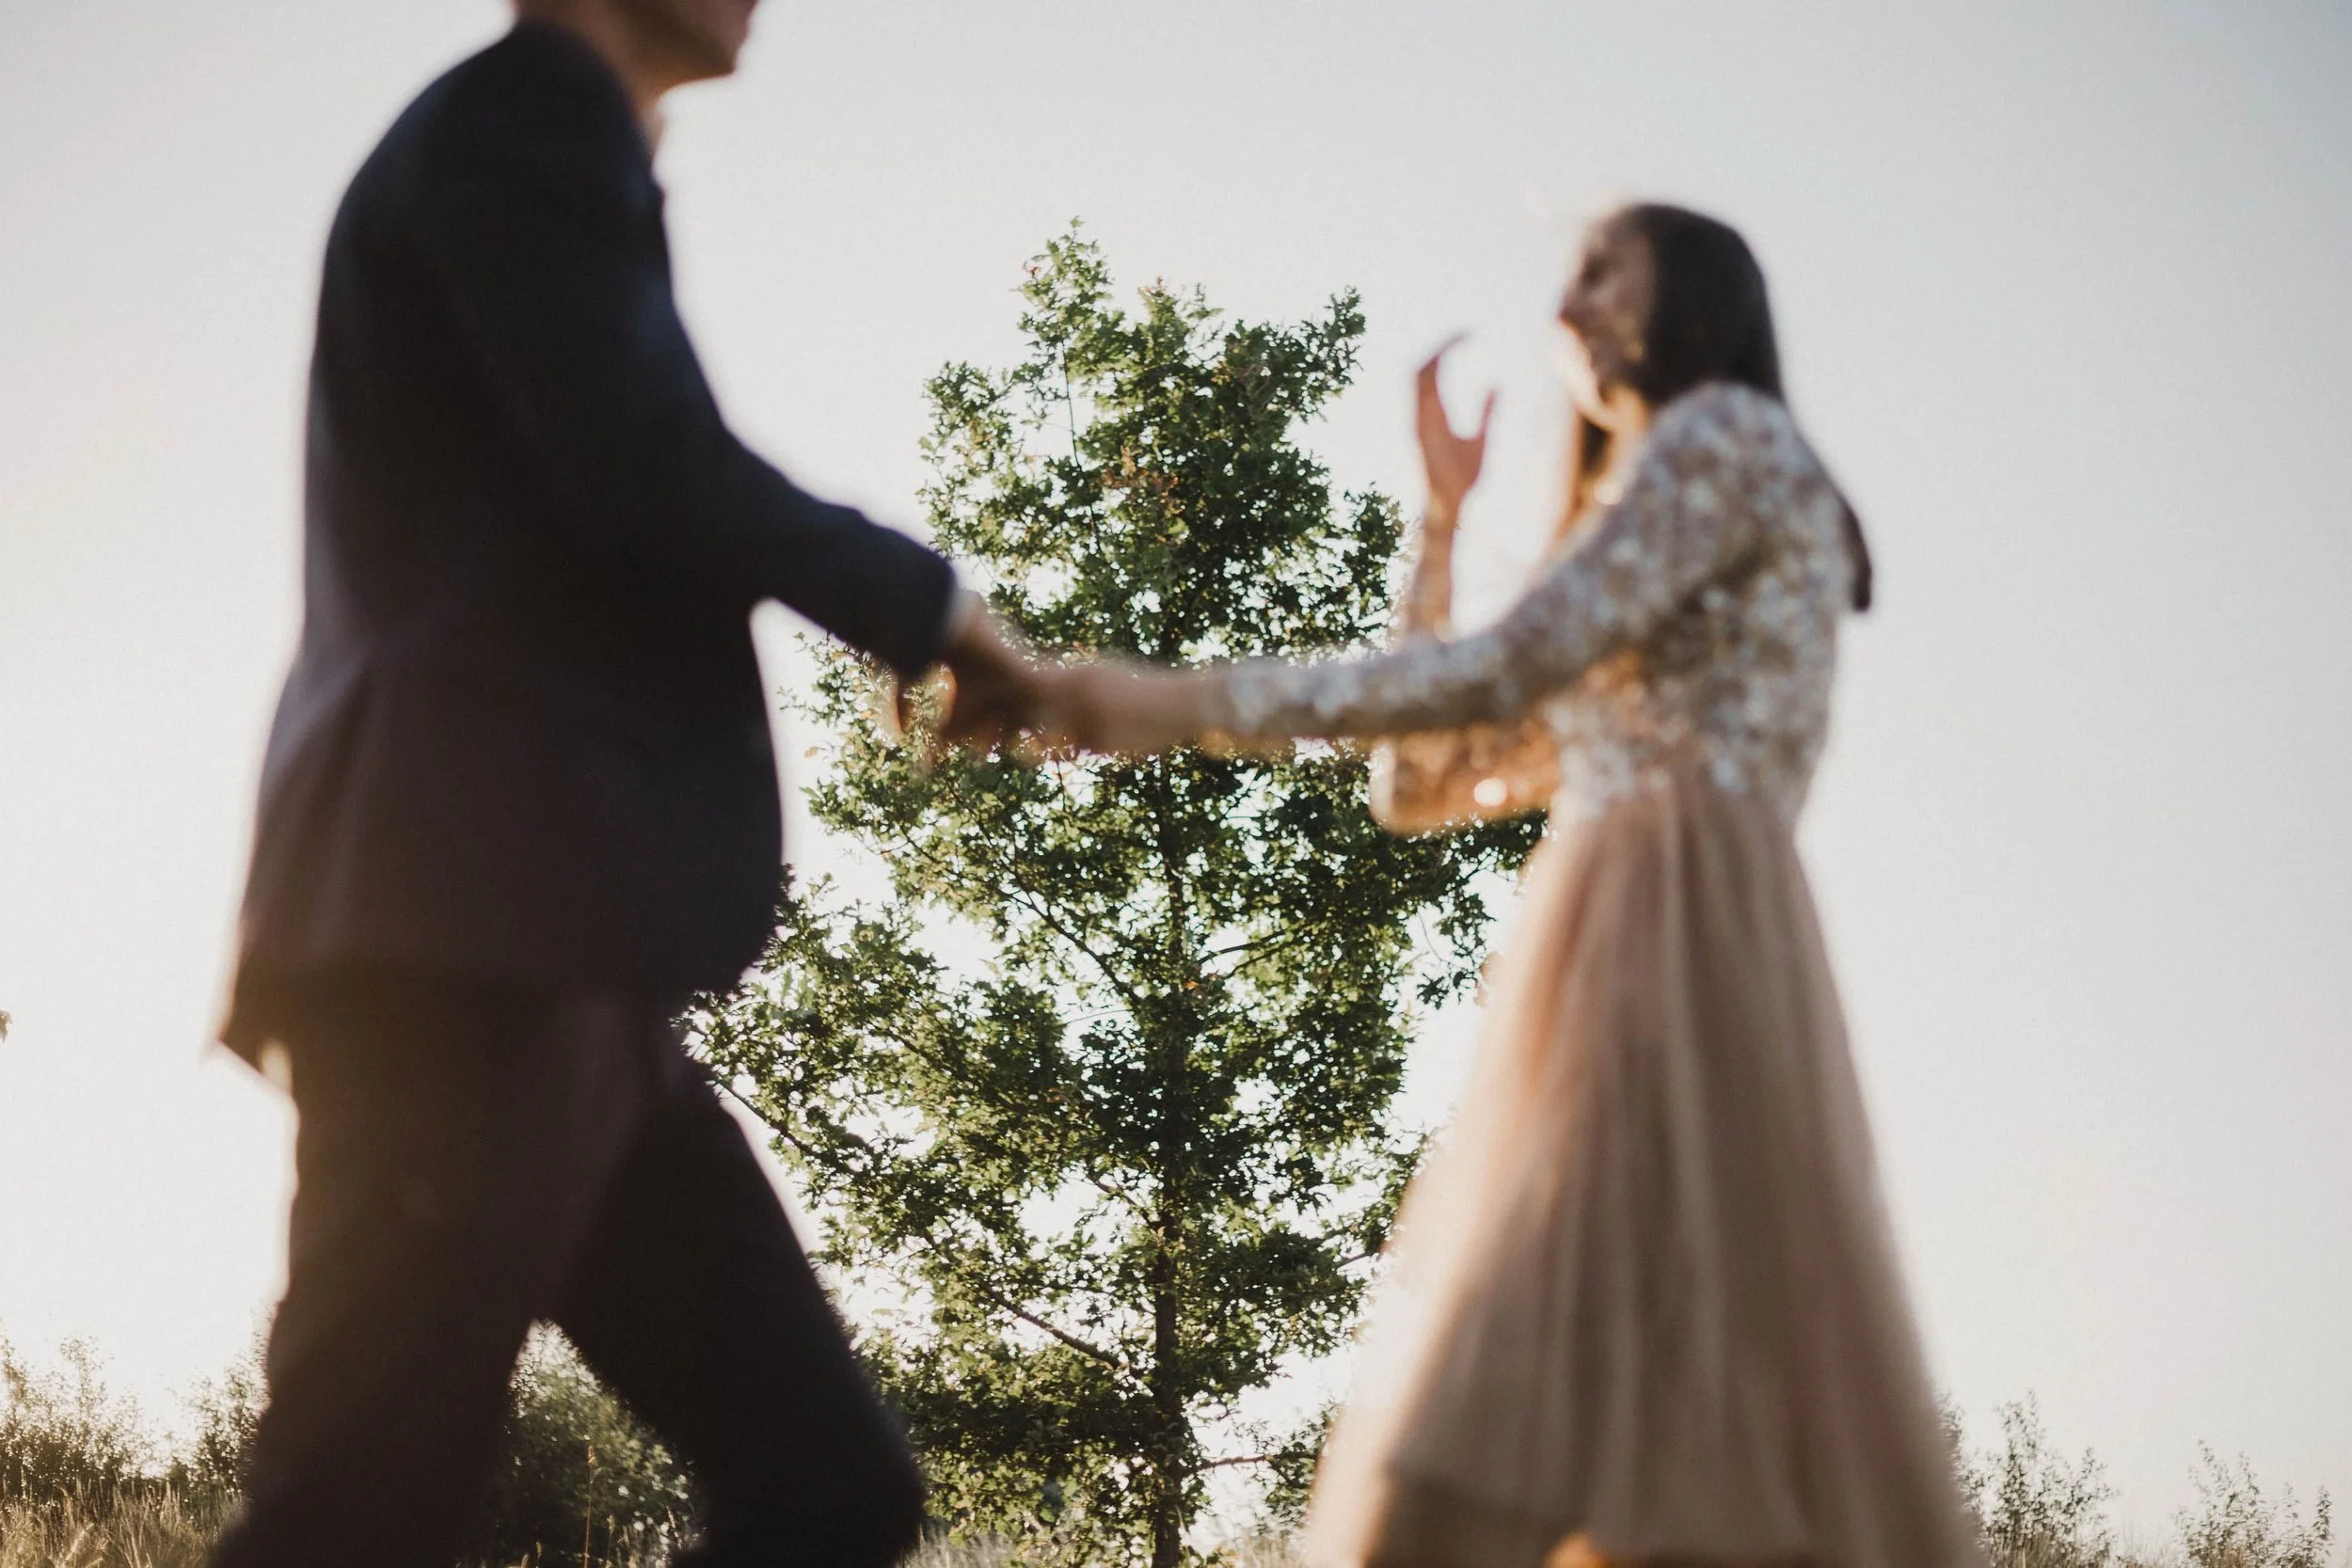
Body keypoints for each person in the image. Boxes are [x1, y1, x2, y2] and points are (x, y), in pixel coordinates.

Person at [211, 2, 1041, 1564]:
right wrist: (933, 610)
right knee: (350, 1514)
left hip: (568, 962)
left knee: (832, 1490)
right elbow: (653, 468)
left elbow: (616, 487)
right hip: (453, 936)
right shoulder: (516, 125)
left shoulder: (539, 144)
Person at [1042, 205, 1980, 1568]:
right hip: (1622, 942)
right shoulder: (1650, 545)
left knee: (1527, 1424)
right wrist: (1440, 519)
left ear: (1699, 296)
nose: (1569, 300)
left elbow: (1497, 668)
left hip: (1679, 929)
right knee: (1624, 1428)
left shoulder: (1722, 435)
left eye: (1604, 267)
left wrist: (1145, 698)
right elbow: (1418, 786)